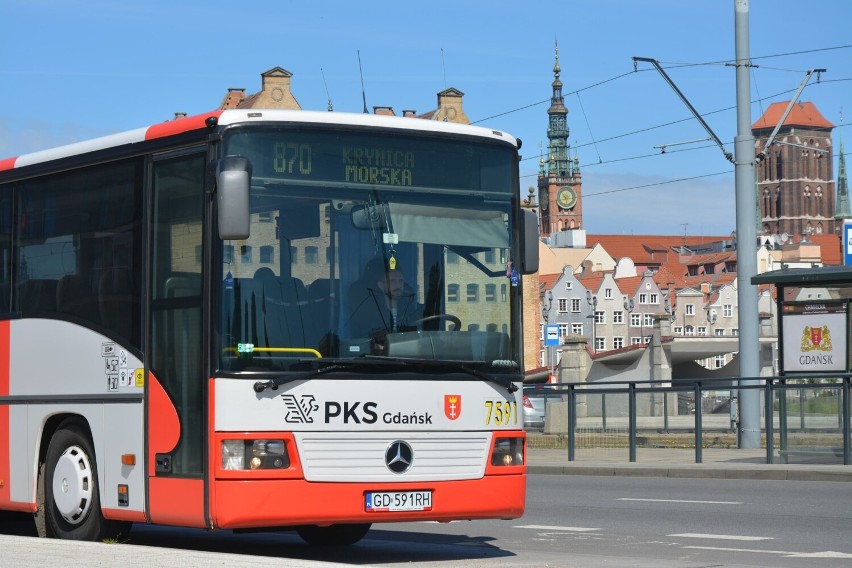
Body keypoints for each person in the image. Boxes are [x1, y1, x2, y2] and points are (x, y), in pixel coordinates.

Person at [347, 257, 422, 340]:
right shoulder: (372, 311)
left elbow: (416, 336)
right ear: (381, 285)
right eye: (392, 281)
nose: (398, 285)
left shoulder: (409, 309)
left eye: (401, 281)